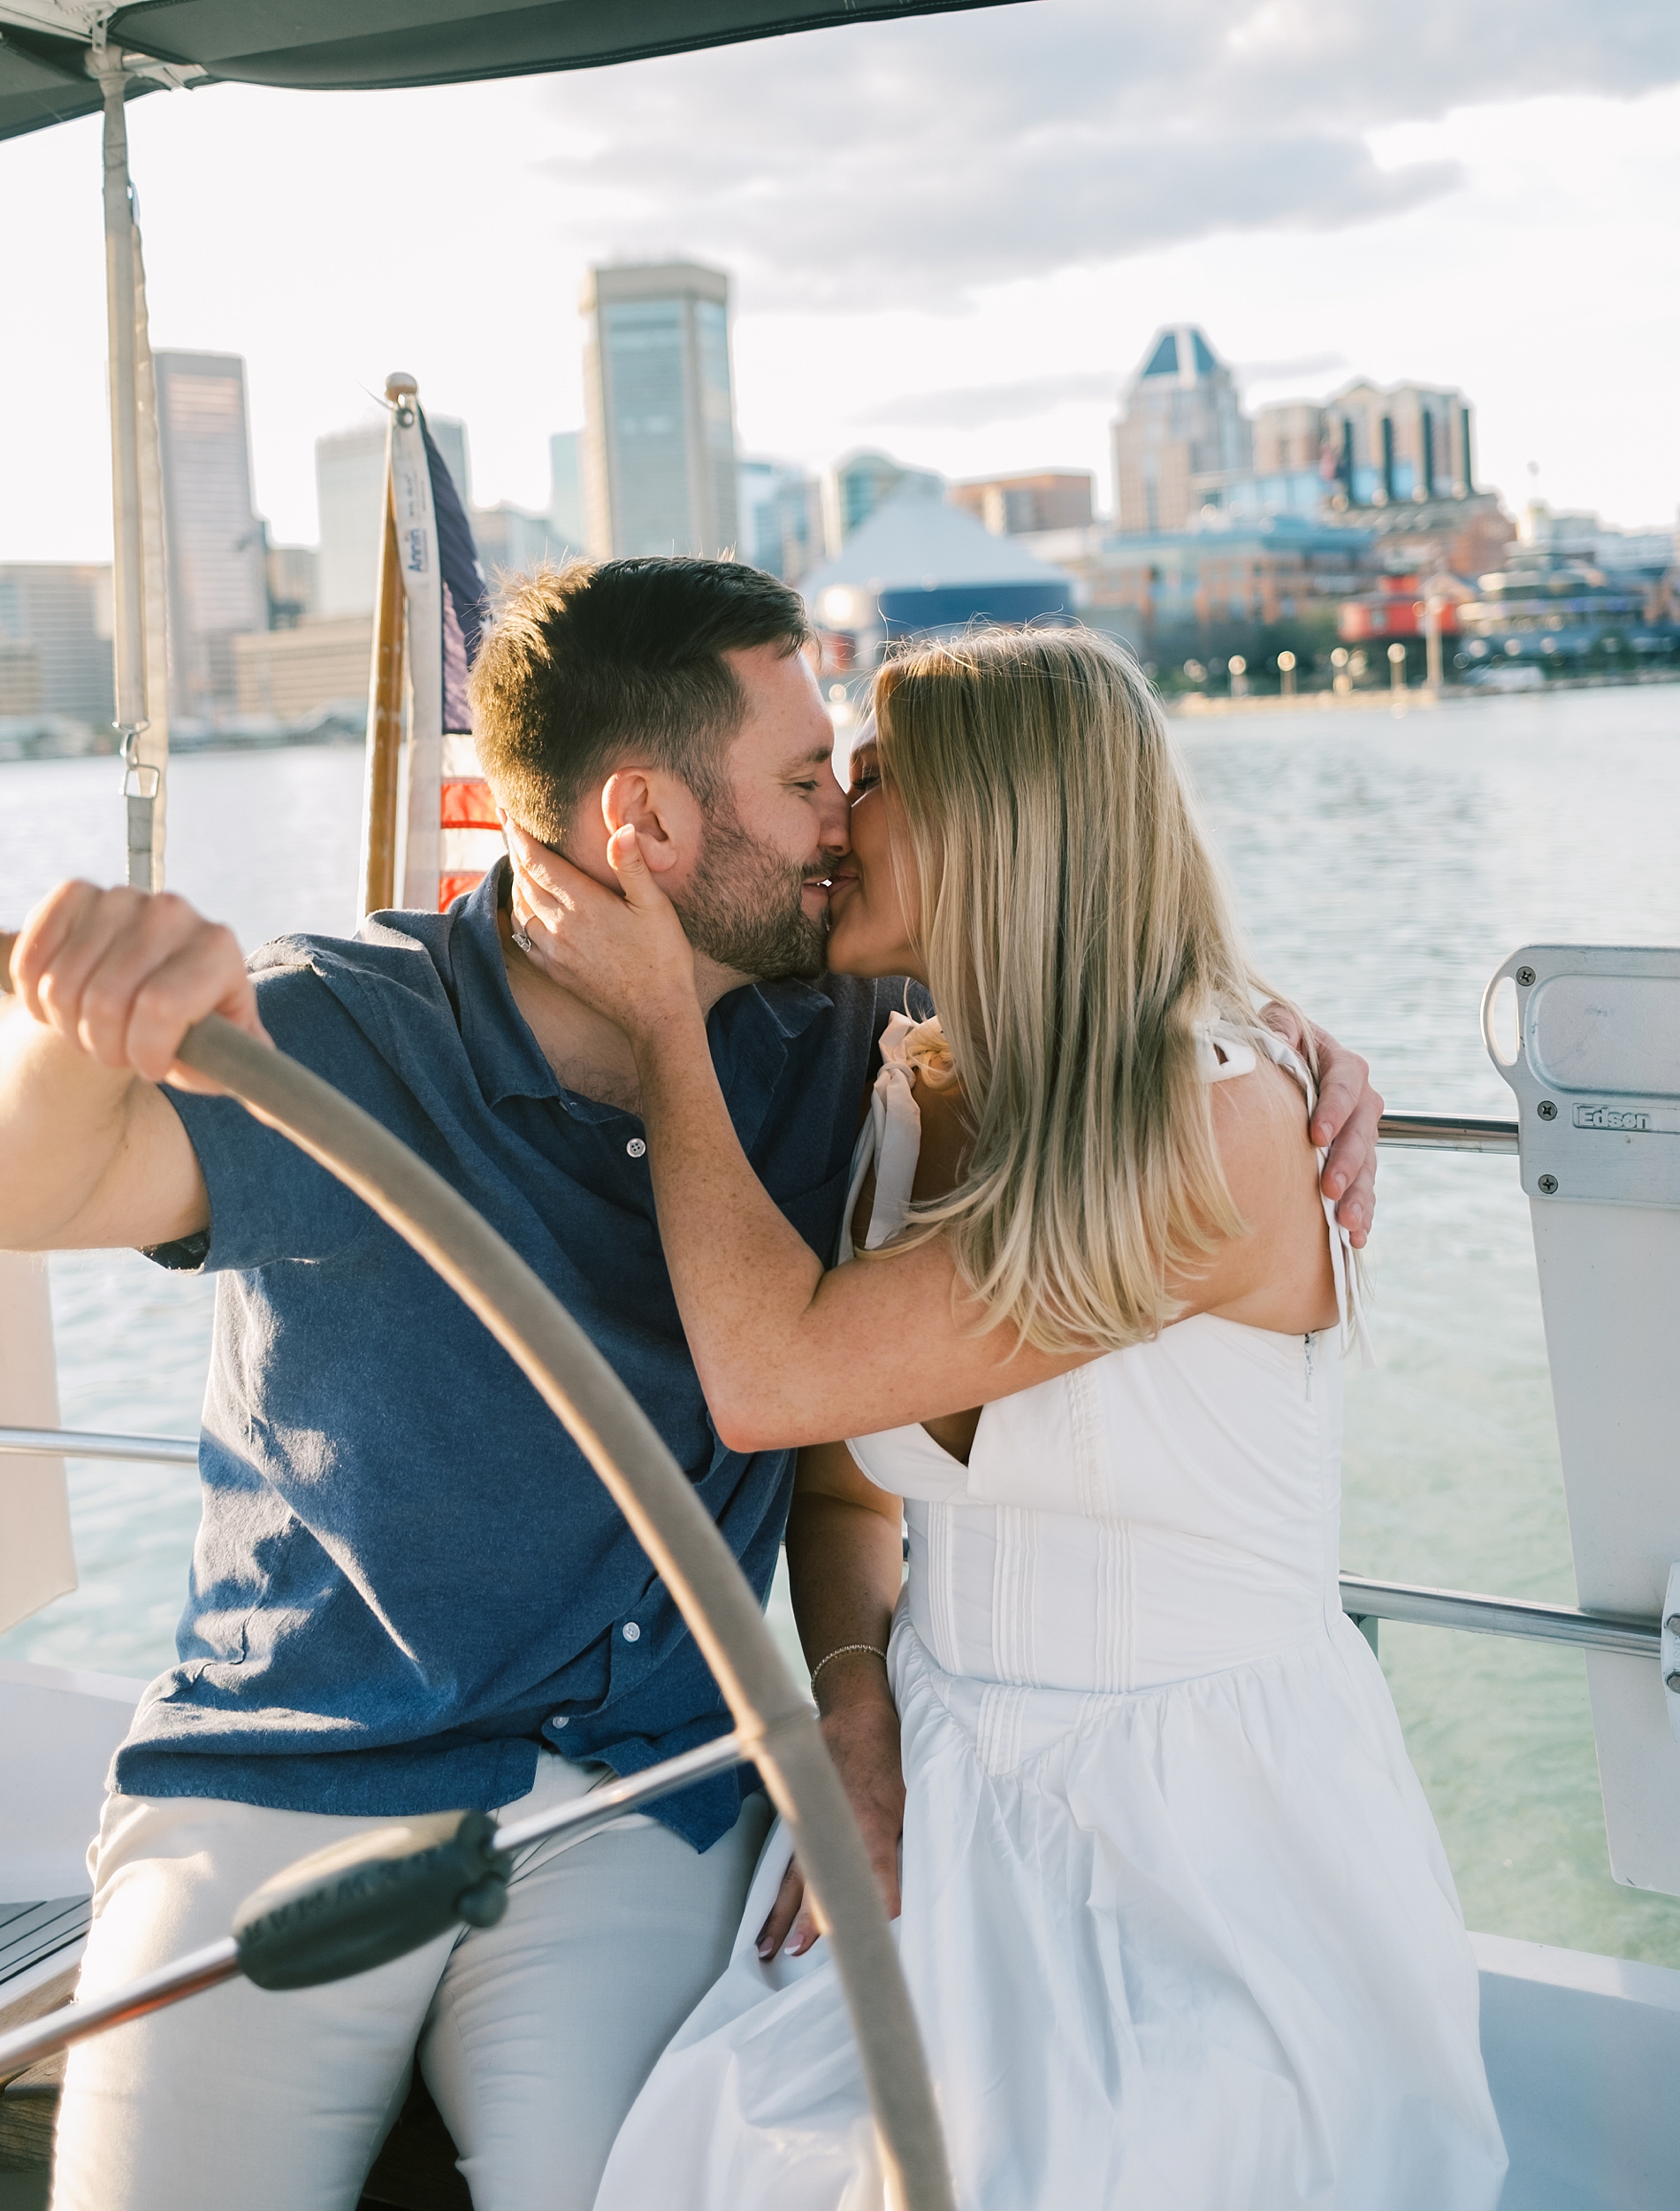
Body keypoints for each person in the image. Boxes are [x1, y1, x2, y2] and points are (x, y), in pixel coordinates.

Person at [0, 563, 1382, 2211]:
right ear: (651, 827)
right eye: (812, 779)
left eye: (856, 779)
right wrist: (65, 1031)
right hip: (298, 1773)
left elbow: (1088, 958)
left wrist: (1291, 1041)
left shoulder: (848, 1027)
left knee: (667, 2179)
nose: (838, 821)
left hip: (647, 1800)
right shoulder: (348, 1026)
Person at [505, 624, 1506, 2210]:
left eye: (878, 780)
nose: (832, 819)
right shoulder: (909, 1086)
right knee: (736, 2156)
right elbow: (846, 1497)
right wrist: (851, 1703)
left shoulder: (1220, 1126)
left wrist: (663, 1032)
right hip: (939, 1797)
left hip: (1204, 1847)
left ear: (1008, 826)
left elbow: (773, 1383)